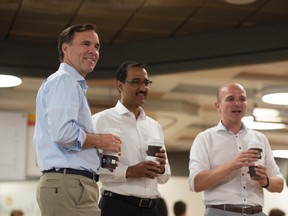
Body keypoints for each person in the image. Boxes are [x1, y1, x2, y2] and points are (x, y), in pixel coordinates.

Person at [33, 24, 121, 216]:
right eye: (85, 44)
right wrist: (100, 140)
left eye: (97, 46)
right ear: (66, 48)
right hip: (69, 186)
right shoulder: (64, 81)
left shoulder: (69, 83)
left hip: (72, 185)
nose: (93, 51)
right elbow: (63, 134)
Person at [188, 83, 284, 216]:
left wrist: (266, 181)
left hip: (257, 212)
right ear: (218, 106)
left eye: (242, 99)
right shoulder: (205, 138)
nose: (238, 103)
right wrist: (231, 165)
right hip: (220, 212)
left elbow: (279, 184)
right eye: (230, 99)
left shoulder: (260, 139)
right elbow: (196, 184)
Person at [92, 61, 171, 216]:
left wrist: (161, 168)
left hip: (152, 209)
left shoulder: (154, 126)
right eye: (136, 82)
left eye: (146, 82)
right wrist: (129, 171)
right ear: (120, 85)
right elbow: (92, 169)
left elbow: (165, 176)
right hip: (117, 206)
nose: (143, 88)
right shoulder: (101, 121)